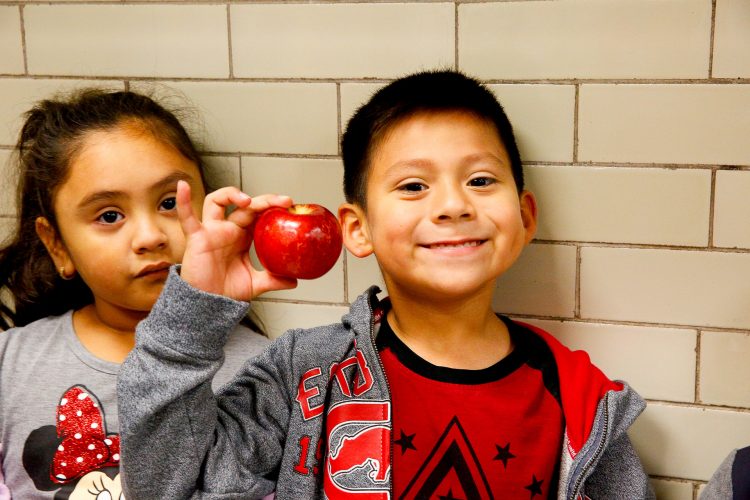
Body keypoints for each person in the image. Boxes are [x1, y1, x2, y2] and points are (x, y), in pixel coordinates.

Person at [118, 70, 654, 499]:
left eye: (481, 180)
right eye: (414, 185)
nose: (452, 206)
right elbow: (166, 487)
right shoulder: (305, 373)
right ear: (358, 229)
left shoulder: (580, 401)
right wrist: (193, 314)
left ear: (524, 216)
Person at [0, 89, 275, 499]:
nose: (150, 237)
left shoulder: (263, 372)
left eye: (169, 203)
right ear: (57, 244)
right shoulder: (9, 365)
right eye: (109, 216)